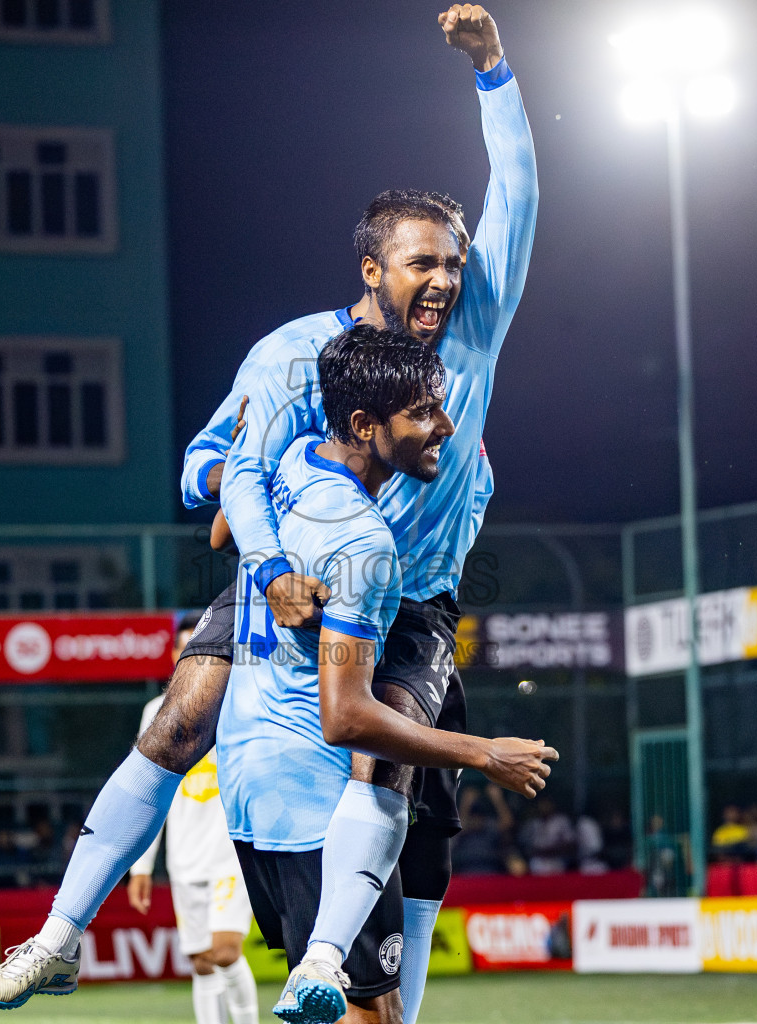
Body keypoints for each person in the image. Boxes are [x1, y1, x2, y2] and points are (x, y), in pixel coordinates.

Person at [0, 7, 538, 1018]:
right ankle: (59, 935)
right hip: (284, 584)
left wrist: (494, 70)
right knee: (180, 713)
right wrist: (260, 539)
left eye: (455, 261)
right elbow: (207, 467)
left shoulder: (473, 337)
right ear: (371, 269)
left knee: (387, 764)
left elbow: (522, 200)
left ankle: (344, 977)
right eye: (423, 262)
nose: (448, 279)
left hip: (409, 607)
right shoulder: (288, 357)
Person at [216, 327, 553, 1024]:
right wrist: (484, 753)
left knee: (364, 990)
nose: (446, 426)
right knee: (367, 1009)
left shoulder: (297, 456)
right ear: (366, 424)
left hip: (253, 782)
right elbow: (346, 718)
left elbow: (225, 528)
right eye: (426, 412)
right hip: (316, 789)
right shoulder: (366, 542)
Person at [127, 613, 260, 1024]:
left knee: (225, 951)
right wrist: (142, 867)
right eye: (186, 649)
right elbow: (150, 790)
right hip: (184, 858)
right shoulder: (156, 711)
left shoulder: (238, 699)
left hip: (230, 853)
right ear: (174, 655)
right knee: (202, 962)